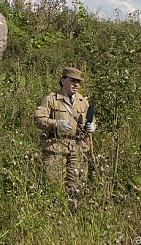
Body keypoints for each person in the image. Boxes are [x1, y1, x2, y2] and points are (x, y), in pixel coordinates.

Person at [34, 67, 96, 197]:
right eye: (72, 80)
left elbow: (91, 121)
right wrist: (56, 124)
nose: (76, 84)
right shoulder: (52, 99)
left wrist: (92, 126)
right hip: (55, 148)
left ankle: (74, 214)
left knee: (77, 188)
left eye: (78, 82)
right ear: (63, 80)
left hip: (77, 150)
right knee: (53, 188)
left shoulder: (82, 101)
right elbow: (38, 119)